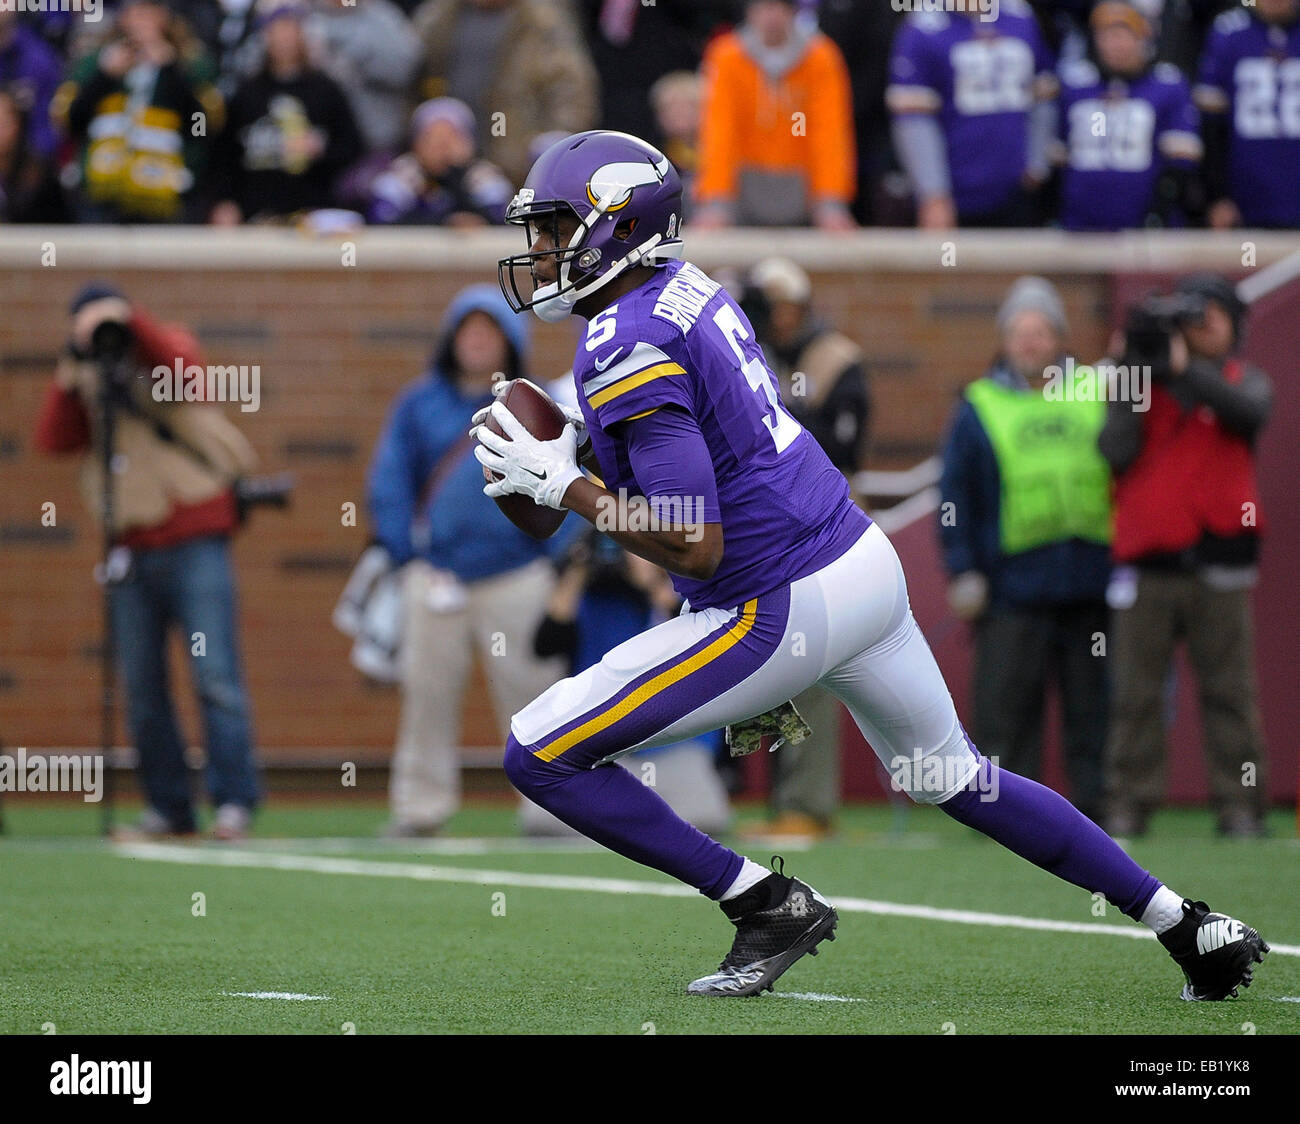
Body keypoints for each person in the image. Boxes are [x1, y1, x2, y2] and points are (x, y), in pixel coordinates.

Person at [478, 129, 1267, 1000]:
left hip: (773, 601)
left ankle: (764, 902)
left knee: (538, 752)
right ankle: (1188, 925)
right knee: (959, 777)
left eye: (554, 227)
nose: (541, 251)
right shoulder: (683, 289)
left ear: (614, 224)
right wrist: (590, 438)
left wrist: (569, 488)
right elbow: (709, 420)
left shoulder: (622, 341)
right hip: (859, 563)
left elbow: (691, 539)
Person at [33, 284, 263, 840]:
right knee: (141, 685)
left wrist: (129, 324)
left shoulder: (165, 347)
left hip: (194, 538)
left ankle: (234, 803)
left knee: (215, 676)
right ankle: (169, 807)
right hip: (130, 548)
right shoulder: (85, 374)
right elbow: (53, 439)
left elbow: (188, 375)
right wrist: (73, 364)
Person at [366, 285, 567, 837]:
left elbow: (568, 482)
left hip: (519, 576)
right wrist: (408, 555)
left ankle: (553, 808)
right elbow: (389, 482)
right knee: (425, 698)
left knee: (538, 698)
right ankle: (419, 808)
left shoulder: (539, 402)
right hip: (437, 578)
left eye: (490, 331)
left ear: (512, 342)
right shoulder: (418, 404)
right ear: (451, 340)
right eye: (467, 331)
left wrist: (557, 566)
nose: (477, 341)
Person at [1099, 274, 1272, 839]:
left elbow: (1248, 413)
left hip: (1221, 563)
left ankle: (1240, 805)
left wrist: (1183, 368)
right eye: (1195, 319)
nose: (1204, 328)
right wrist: (1133, 373)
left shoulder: (1240, 380)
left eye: (1214, 317)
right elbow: (1114, 450)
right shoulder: (1138, 384)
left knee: (1230, 691)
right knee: (1136, 695)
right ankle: (1129, 802)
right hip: (1149, 568)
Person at [939, 277, 1111, 822]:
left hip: (1090, 582)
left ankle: (1096, 811)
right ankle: (1008, 817)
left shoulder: (1097, 392)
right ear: (1006, 339)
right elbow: (955, 493)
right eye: (1020, 331)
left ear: (1058, 337)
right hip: (1012, 586)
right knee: (1006, 710)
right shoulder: (978, 404)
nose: (1030, 342)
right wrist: (963, 568)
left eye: (1040, 331)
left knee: (1093, 706)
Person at [740, 255, 871, 838]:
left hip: (821, 530)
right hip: (764, 535)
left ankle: (809, 804)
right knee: (769, 667)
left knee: (814, 667)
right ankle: (785, 801)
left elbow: (835, 450)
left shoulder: (835, 359)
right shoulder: (750, 353)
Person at [530, 529, 732, 837]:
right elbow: (544, 644)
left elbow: (698, 638)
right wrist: (578, 570)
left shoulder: (684, 600)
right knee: (540, 821)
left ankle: (618, 825)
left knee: (704, 815)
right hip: (601, 750)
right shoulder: (588, 600)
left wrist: (652, 582)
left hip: (672, 748)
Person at [888, 0, 1056, 228]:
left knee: (1016, 260)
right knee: (951, 262)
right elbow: (914, 119)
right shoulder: (923, 26)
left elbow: (1044, 91)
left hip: (1017, 188)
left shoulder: (1019, 13)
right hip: (954, 192)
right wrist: (933, 194)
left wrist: (1037, 161)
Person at [52, 0, 224, 223]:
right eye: (135, 12)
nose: (142, 21)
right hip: (101, 194)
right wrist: (104, 76)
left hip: (169, 198)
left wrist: (172, 72)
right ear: (123, 16)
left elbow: (202, 129)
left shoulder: (192, 65)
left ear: (163, 16)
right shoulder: (95, 62)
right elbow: (68, 122)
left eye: (149, 12)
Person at [692, 0, 857, 230]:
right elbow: (720, 132)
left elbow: (829, 133)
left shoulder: (821, 57)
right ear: (750, 12)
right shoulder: (727, 56)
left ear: (793, 12)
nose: (772, 17)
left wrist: (830, 202)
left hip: (803, 191)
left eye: (780, 8)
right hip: (743, 189)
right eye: (764, 7)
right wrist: (716, 201)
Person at [411, 0, 599, 188]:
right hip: (444, 163)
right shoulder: (440, 15)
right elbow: (411, 79)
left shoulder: (542, 20)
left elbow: (571, 93)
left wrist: (550, 153)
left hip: (515, 164)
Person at [209, 1, 362, 225]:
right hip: (256, 211)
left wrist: (320, 148)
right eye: (276, 32)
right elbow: (224, 155)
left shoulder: (326, 90)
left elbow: (352, 147)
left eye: (290, 31)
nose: (284, 41)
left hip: (311, 211)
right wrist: (224, 201)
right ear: (265, 38)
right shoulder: (248, 92)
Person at [1054, 1, 1203, 232]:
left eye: (1122, 36)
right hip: (1080, 226)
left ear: (1143, 38)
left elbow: (1181, 163)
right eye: (1106, 36)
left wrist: (1158, 212)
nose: (1113, 45)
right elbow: (1060, 157)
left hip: (1145, 227)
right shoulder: (1076, 85)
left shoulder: (1167, 84)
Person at [1195, 0, 1300, 230]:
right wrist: (1217, 195)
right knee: (1250, 262)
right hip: (1246, 197)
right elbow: (1211, 125)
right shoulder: (1228, 30)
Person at [366, 97, 511, 227]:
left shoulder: (483, 176)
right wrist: (443, 221)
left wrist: (456, 174)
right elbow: (380, 221)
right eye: (433, 138)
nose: (443, 148)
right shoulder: (401, 176)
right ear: (416, 144)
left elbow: (502, 220)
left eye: (453, 137)